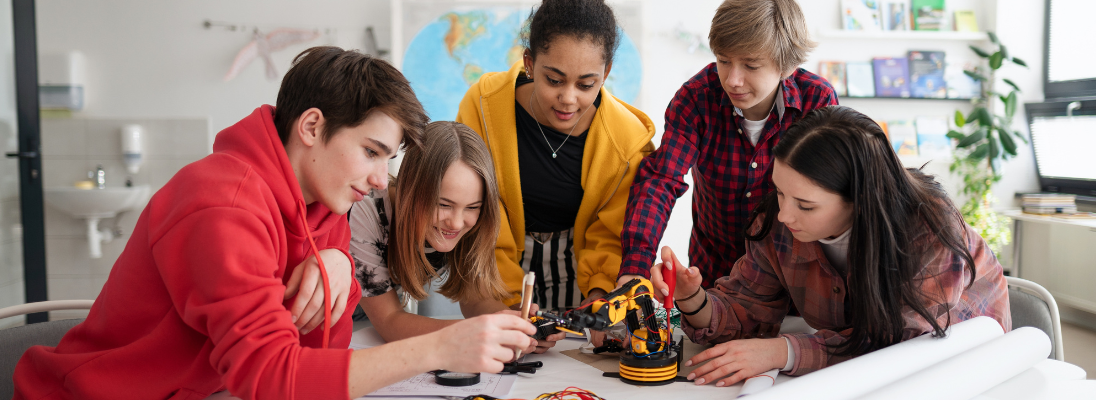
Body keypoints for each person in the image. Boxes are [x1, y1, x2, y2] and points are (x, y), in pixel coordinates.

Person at [14, 47, 535, 400]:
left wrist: (337, 265)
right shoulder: (222, 205)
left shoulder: (325, 199)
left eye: (388, 159)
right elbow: (268, 378)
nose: (381, 179)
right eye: (372, 152)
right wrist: (441, 347)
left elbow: (316, 352)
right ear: (312, 127)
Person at [649, 106, 1011, 386]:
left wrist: (785, 351)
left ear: (861, 200)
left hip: (966, 373)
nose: (785, 215)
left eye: (805, 205)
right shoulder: (777, 221)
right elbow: (747, 310)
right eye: (778, 191)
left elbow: (901, 348)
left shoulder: (929, 228)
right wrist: (691, 298)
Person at [620, 0, 838, 293]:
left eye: (751, 65)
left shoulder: (817, 101)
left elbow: (832, 196)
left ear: (787, 65)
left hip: (794, 281)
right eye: (724, 60)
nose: (733, 80)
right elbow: (661, 180)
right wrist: (635, 268)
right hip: (714, 279)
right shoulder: (696, 99)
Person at [456, 0, 655, 311]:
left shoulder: (627, 140)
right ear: (530, 63)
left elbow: (610, 233)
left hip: (580, 270)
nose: (568, 99)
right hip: (492, 263)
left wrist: (599, 294)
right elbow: (479, 212)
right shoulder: (482, 107)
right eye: (554, 80)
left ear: (606, 73)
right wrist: (506, 304)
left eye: (586, 84)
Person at [350, 121, 564, 352]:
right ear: (410, 189)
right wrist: (479, 332)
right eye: (443, 204)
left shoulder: (476, 223)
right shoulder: (365, 211)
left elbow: (475, 298)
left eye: (472, 207)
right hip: (336, 323)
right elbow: (390, 321)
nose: (456, 223)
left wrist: (512, 324)